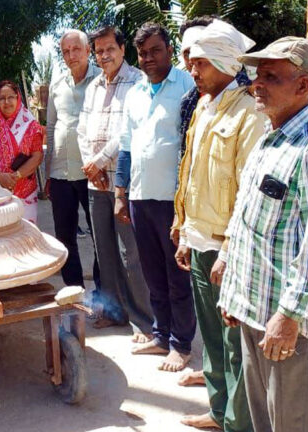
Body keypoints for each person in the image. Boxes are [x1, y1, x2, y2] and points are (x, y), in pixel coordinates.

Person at [218, 37, 308, 432]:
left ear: (303, 86)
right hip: (256, 313)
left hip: (291, 327)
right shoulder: (269, 138)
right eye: (258, 75)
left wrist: (288, 317)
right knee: (263, 423)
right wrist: (232, 286)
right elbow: (247, 218)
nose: (257, 84)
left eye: (271, 77)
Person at [172, 22, 264, 431]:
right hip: (198, 237)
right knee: (210, 337)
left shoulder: (249, 112)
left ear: (227, 63)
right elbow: (189, 172)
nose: (193, 70)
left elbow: (248, 190)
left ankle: (235, 423)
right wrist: (182, 226)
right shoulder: (204, 106)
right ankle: (216, 409)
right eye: (192, 62)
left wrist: (228, 249)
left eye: (201, 63)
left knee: (234, 345)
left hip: (229, 247)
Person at [114, 22, 196, 372]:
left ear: (169, 50)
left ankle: (182, 344)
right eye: (142, 53)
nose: (148, 58)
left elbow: (193, 146)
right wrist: (120, 193)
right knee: (151, 273)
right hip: (140, 196)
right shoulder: (134, 93)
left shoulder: (187, 86)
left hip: (172, 200)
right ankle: (160, 336)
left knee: (177, 274)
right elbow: (126, 147)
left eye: (155, 51)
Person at [77, 26, 152, 336]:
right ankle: (114, 312)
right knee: (104, 250)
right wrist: (90, 165)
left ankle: (143, 321)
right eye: (99, 50)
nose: (104, 55)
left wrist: (100, 162)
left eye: (109, 49)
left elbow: (129, 131)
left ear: (123, 50)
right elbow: (82, 129)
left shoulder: (138, 82)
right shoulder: (94, 85)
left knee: (130, 253)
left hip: (124, 181)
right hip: (96, 182)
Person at [45, 29, 100, 288]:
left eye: (76, 49)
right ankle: (75, 294)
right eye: (66, 51)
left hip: (93, 173)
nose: (71, 56)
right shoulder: (57, 84)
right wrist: (48, 173)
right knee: (65, 238)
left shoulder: (102, 80)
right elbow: (51, 128)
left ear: (88, 50)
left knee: (100, 238)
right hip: (61, 175)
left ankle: (102, 296)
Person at [178, 17, 252, 159]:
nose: (191, 62)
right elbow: (185, 155)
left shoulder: (253, 93)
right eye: (187, 54)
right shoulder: (189, 102)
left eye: (200, 59)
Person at [0, 81, 44, 222]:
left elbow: (37, 157)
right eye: (2, 98)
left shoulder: (31, 125)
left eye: (11, 97)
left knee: (25, 237)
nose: (7, 102)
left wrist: (15, 176)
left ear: (18, 98)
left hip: (26, 193)